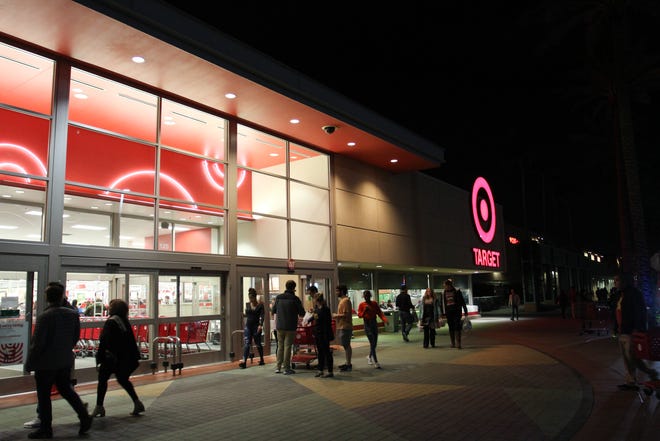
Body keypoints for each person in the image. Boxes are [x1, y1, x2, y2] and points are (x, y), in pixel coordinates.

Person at [24, 282, 92, 439]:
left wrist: (29, 363)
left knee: (44, 395)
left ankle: (46, 428)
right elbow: (75, 336)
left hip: (46, 363)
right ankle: (84, 416)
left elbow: (37, 343)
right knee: (66, 390)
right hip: (64, 360)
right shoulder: (72, 314)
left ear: (47, 297)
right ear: (62, 296)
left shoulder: (45, 316)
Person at [93, 298, 144, 418]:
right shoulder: (123, 321)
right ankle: (137, 403)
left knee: (103, 380)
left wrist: (100, 358)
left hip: (113, 357)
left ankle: (99, 407)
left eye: (110, 306)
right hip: (126, 357)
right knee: (122, 379)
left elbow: (105, 341)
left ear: (114, 309)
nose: (108, 308)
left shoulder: (111, 321)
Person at [613, 273, 658, 390]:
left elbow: (640, 313)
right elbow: (617, 312)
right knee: (630, 358)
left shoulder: (634, 294)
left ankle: (634, 380)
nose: (615, 283)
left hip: (630, 331)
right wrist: (615, 328)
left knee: (632, 357)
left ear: (624, 281)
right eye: (615, 280)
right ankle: (636, 378)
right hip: (622, 330)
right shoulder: (620, 294)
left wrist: (637, 330)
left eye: (617, 280)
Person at [271, 279, 305, 375]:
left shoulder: (278, 297)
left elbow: (273, 311)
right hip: (290, 326)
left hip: (280, 326)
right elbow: (302, 313)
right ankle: (287, 368)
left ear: (286, 287)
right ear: (294, 288)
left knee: (280, 346)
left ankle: (278, 367)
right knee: (287, 347)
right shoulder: (295, 299)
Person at [306, 290, 334, 378]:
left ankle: (330, 371)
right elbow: (314, 316)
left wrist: (326, 335)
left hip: (324, 334)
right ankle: (320, 370)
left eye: (314, 299)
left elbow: (327, 323)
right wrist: (308, 320)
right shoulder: (317, 309)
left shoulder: (325, 309)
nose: (314, 301)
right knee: (320, 352)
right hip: (318, 333)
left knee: (326, 352)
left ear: (317, 300)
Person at [357, 290, 387, 368]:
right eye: (365, 296)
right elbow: (359, 315)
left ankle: (369, 356)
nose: (366, 297)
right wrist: (364, 311)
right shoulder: (361, 305)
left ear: (370, 296)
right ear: (364, 297)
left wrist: (385, 320)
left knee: (374, 344)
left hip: (374, 323)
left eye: (368, 296)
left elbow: (379, 313)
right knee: (372, 342)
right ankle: (376, 362)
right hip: (367, 325)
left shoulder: (374, 303)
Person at [239, 287, 265, 368]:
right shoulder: (247, 304)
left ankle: (261, 359)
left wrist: (260, 325)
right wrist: (244, 315)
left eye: (252, 298)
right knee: (247, 344)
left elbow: (262, 316)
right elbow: (248, 315)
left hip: (256, 326)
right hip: (248, 326)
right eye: (249, 298)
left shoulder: (260, 305)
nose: (250, 299)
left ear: (255, 297)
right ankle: (244, 362)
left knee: (258, 344)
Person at [442, 279, 468, 349]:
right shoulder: (444, 292)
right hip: (449, 312)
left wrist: (465, 311)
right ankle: (453, 343)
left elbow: (462, 301)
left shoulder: (457, 291)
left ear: (449, 285)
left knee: (457, 327)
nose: (444, 287)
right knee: (451, 327)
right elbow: (444, 303)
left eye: (445, 286)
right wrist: (443, 313)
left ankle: (458, 343)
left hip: (456, 311)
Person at [333, 284, 353, 372]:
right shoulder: (343, 300)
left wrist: (335, 315)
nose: (336, 292)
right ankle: (347, 363)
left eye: (337, 291)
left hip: (345, 326)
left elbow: (346, 314)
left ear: (341, 291)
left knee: (346, 345)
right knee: (345, 345)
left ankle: (348, 364)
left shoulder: (345, 301)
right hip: (342, 325)